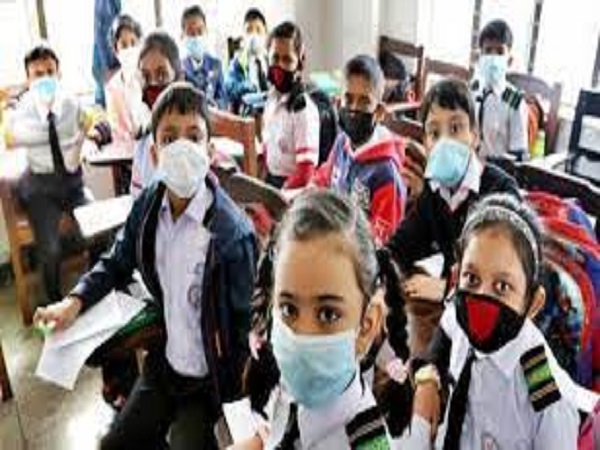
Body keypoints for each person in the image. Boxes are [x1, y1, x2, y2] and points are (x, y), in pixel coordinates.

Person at [33, 83, 258, 449]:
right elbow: (117, 260)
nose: (181, 148)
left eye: (193, 136)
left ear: (209, 150)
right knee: (115, 445)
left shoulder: (233, 237)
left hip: (210, 384)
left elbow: (244, 333)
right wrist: (73, 302)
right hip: (166, 364)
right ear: (154, 153)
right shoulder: (150, 205)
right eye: (169, 138)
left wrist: (239, 417)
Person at [232, 190, 429, 449]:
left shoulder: (364, 442)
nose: (302, 335)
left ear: (366, 326)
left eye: (328, 314)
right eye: (289, 309)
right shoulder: (293, 387)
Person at [411, 194, 581, 449]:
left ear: (532, 303)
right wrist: (428, 378)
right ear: (457, 277)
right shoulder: (460, 314)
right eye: (472, 278)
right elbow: (443, 335)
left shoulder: (547, 399)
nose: (480, 298)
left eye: (502, 286)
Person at [386, 78, 520, 305]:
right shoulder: (433, 191)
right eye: (434, 133)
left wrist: (447, 288)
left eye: (455, 128)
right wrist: (377, 270)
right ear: (425, 143)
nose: (445, 141)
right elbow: (401, 247)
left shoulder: (500, 191)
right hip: (452, 313)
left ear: (475, 136)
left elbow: (503, 279)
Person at [3, 43, 111, 305]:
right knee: (49, 249)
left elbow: (98, 123)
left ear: (59, 74)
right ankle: (54, 302)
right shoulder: (21, 112)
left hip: (73, 185)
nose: (45, 79)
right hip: (40, 189)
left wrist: (94, 136)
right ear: (28, 80)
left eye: (50, 72)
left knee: (100, 230)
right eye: (38, 74)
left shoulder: (71, 103)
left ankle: (91, 290)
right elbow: (8, 139)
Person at [313, 54, 407, 246]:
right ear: (338, 104)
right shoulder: (342, 141)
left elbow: (382, 241)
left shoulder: (386, 175)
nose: (354, 109)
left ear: (379, 112)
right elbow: (323, 180)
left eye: (364, 102)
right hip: (331, 236)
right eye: (348, 99)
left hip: (357, 256)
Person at [262, 21, 320, 189]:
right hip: (272, 181)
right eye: (275, 58)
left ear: (299, 63)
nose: (279, 65)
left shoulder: (303, 110)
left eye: (287, 60)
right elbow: (267, 150)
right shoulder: (271, 100)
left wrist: (278, 196)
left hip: (293, 189)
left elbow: (305, 172)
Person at [130, 31, 182, 197]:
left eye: (161, 75)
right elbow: (137, 199)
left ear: (178, 77)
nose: (153, 84)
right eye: (146, 77)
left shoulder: (194, 136)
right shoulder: (143, 143)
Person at [471, 19, 529, 161]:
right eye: (488, 50)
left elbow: (518, 154)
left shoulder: (514, 100)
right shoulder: (471, 91)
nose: (493, 57)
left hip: (498, 169)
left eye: (500, 52)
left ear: (509, 60)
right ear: (479, 57)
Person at [105, 14, 147, 155]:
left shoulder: (148, 77)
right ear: (116, 50)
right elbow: (116, 129)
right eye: (124, 44)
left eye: (133, 43)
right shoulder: (112, 88)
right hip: (125, 154)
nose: (129, 49)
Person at [180, 5, 228, 109]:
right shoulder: (180, 69)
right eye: (191, 33)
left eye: (200, 31)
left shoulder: (216, 65)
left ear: (206, 32)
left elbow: (224, 99)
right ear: (183, 36)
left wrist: (216, 105)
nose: (196, 37)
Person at [225, 8, 269, 115]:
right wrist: (247, 86)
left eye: (258, 30)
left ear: (265, 33)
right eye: (249, 30)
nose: (254, 35)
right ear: (243, 35)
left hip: (270, 109)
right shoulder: (237, 62)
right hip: (248, 111)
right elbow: (229, 87)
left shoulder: (271, 60)